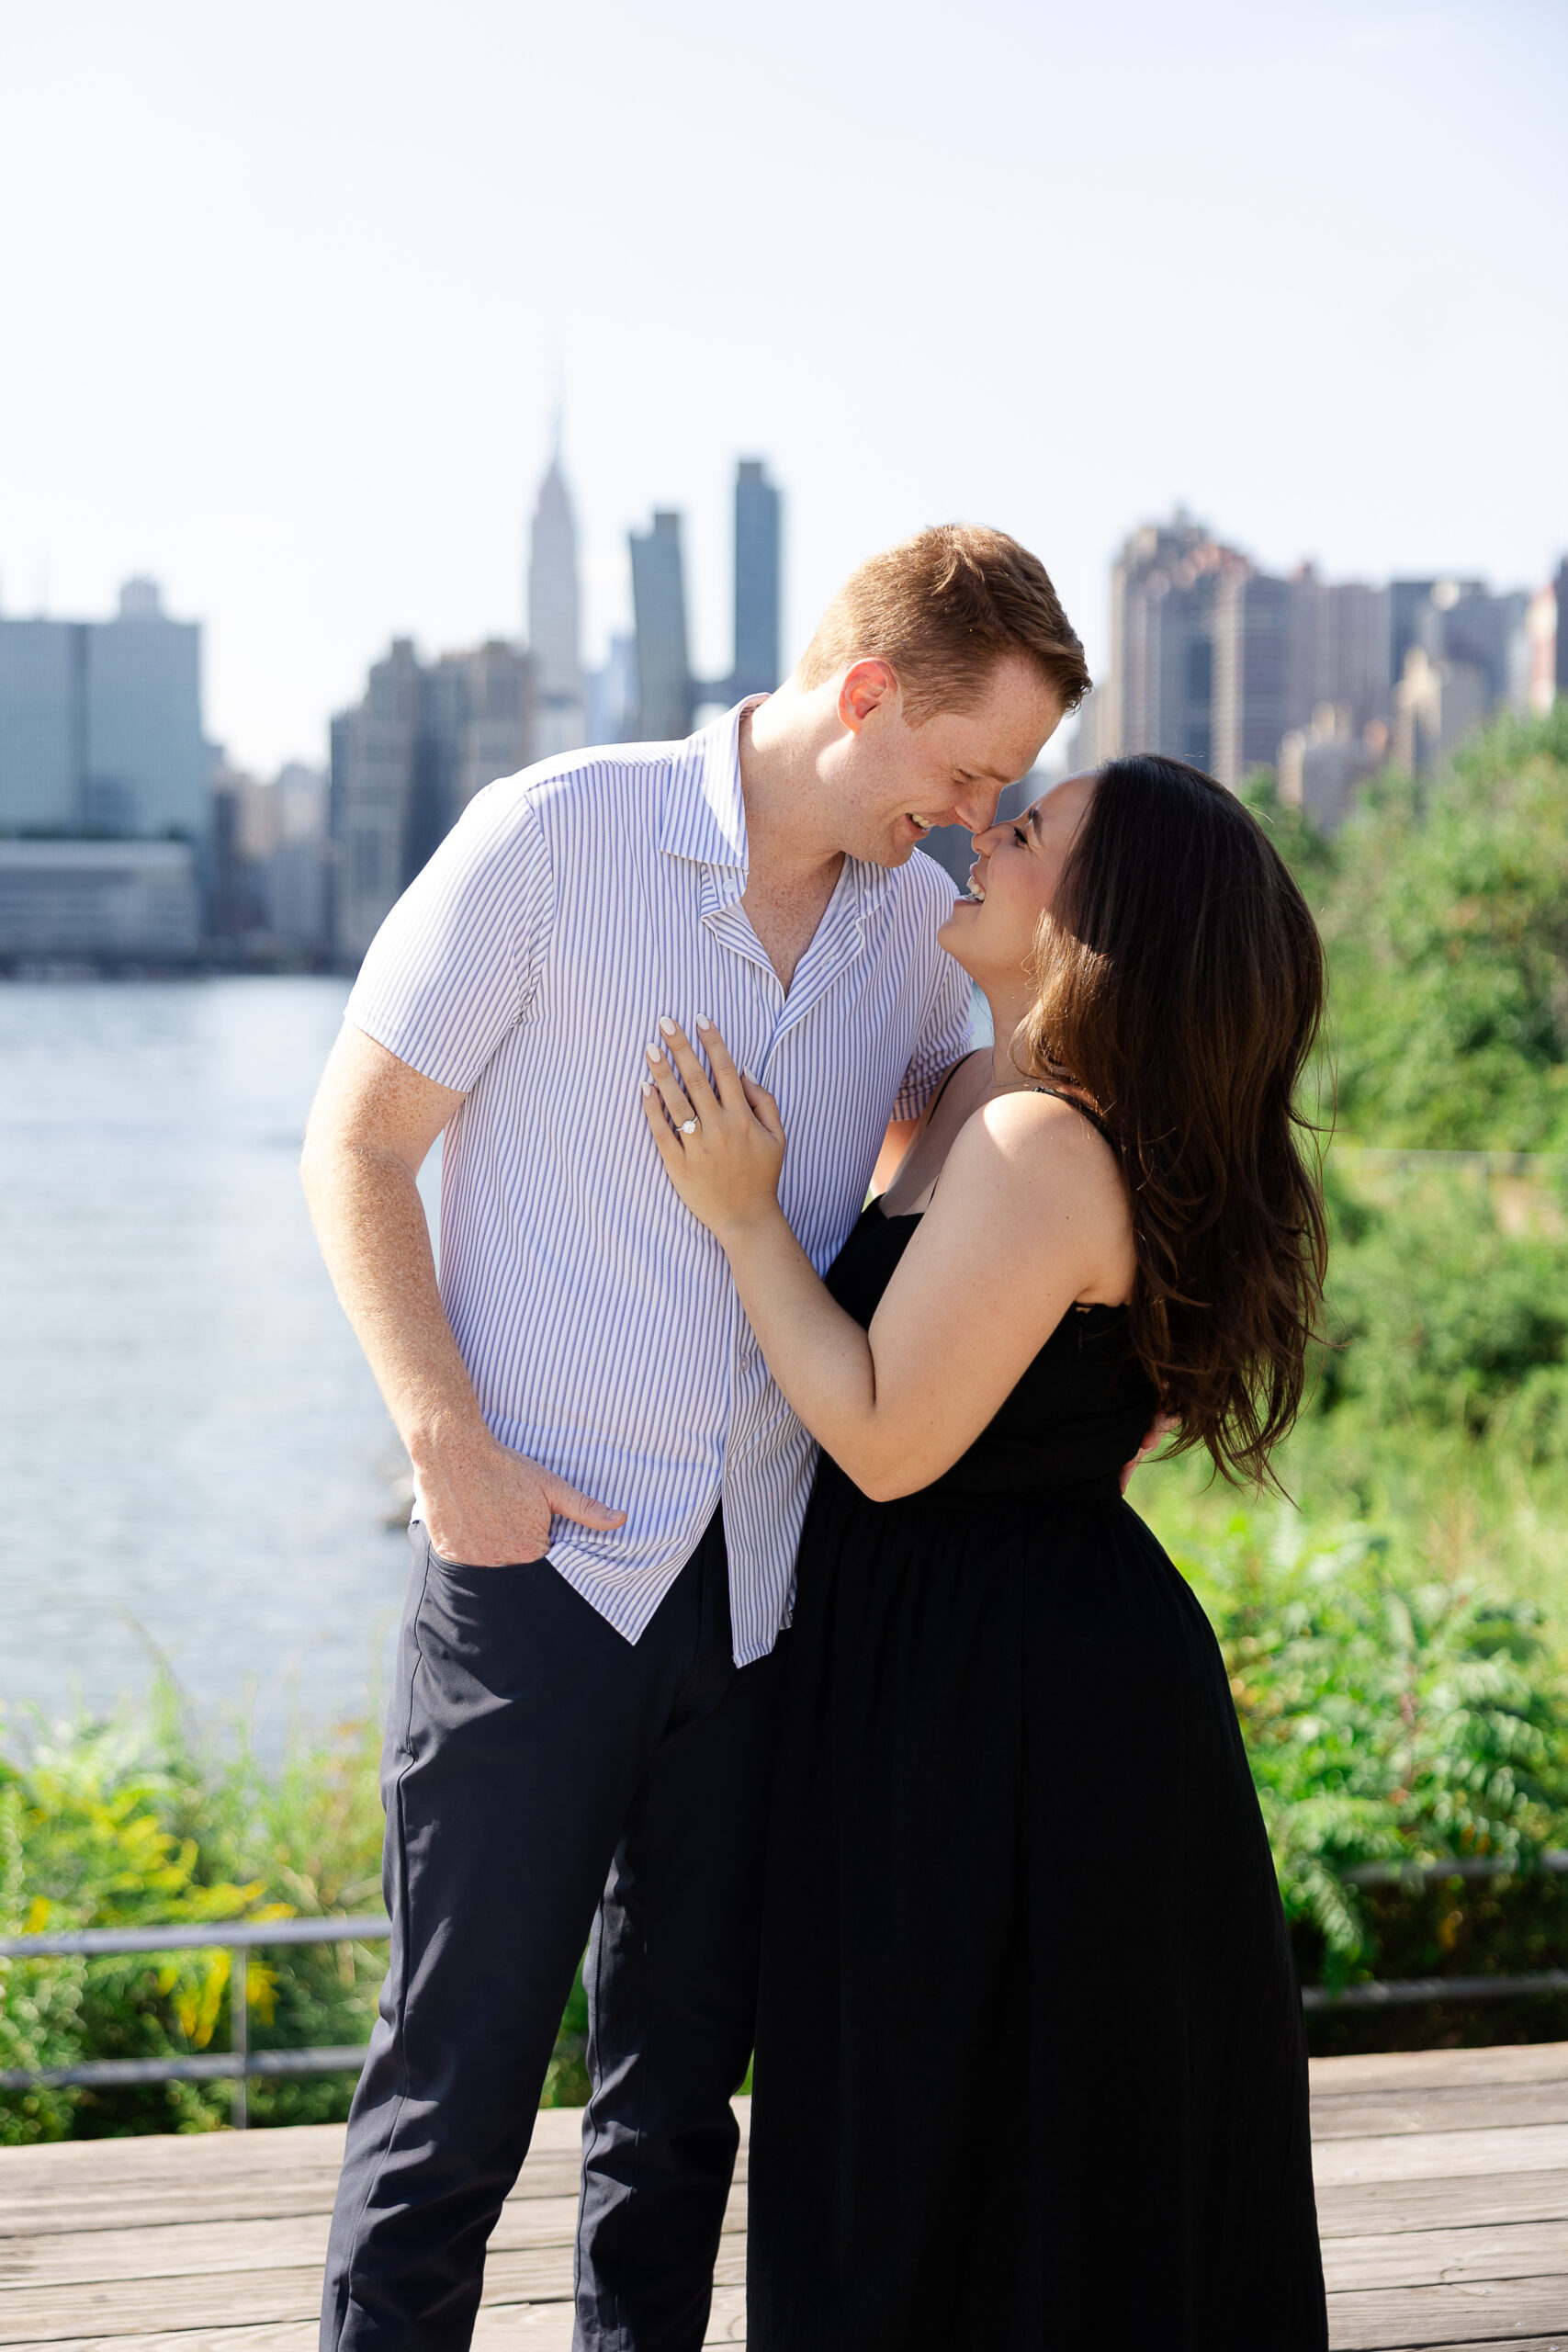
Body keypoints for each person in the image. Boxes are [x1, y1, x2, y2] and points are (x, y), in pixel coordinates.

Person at [300, 526, 1090, 2352]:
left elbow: (977, 1153)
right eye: (968, 769)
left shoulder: (910, 920)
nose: (979, 816)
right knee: (454, 2096)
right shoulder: (551, 834)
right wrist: (446, 1444)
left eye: (1010, 791)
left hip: (762, 1605)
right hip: (538, 1573)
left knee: (672, 2117)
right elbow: (354, 1144)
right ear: (868, 694)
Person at [640, 753, 1332, 2350]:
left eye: (1025, 836)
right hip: (954, 1667)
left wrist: (744, 1217)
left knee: (982, 2132)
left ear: (1099, 926)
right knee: (946, 2122)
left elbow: (883, 1439)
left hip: (1016, 1703)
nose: (981, 834)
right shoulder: (974, 1098)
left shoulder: (1043, 1147)